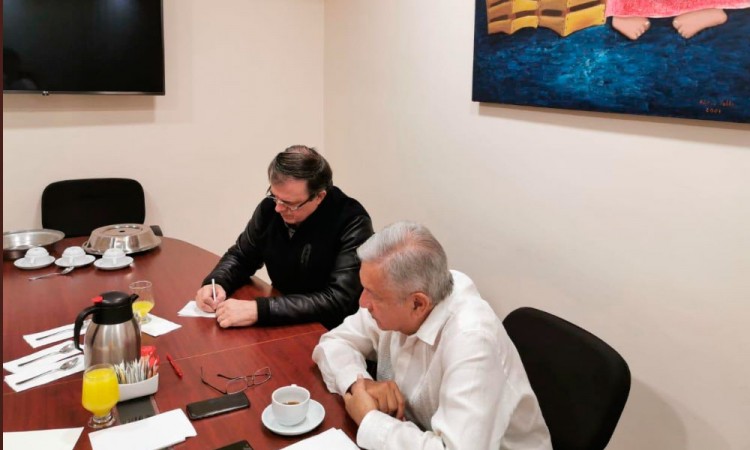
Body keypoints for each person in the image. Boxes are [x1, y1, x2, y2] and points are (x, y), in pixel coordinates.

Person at [312, 221, 552, 449]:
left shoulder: (472, 340)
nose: (363, 302)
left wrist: (369, 419)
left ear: (418, 304)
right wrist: (359, 384)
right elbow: (335, 342)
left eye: (373, 294)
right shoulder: (404, 292)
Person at [195, 145, 373, 330]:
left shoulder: (352, 222)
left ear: (319, 197)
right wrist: (217, 283)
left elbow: (338, 300)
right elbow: (241, 256)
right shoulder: (270, 209)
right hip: (281, 318)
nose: (278, 208)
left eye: (289, 203)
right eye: (274, 196)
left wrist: (260, 310)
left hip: (331, 330)